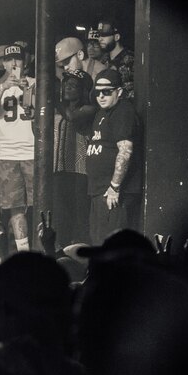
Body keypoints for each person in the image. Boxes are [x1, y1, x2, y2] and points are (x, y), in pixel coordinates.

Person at [0, 44, 37, 251]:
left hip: (31, 150)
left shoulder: (34, 83)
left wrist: (25, 89)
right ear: (3, 64)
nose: (14, 63)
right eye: (9, 59)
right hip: (7, 153)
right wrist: (4, 87)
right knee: (15, 206)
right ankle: (23, 249)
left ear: (25, 61)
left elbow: (37, 111)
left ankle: (40, 246)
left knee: (36, 203)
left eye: (18, 59)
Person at [85, 69, 142, 242]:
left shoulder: (123, 111)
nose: (101, 96)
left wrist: (114, 187)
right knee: (98, 241)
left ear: (119, 92)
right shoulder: (102, 112)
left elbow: (125, 151)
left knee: (110, 245)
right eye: (97, 92)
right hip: (100, 190)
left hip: (114, 193)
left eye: (107, 92)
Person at [53, 37, 96, 245]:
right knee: (62, 210)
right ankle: (63, 246)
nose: (68, 87)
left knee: (81, 211)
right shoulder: (61, 109)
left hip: (82, 168)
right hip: (61, 165)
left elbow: (73, 117)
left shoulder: (89, 107)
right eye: (66, 84)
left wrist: (56, 101)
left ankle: (80, 247)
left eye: (73, 85)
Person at [95, 18, 135, 96]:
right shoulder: (103, 59)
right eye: (99, 35)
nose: (100, 39)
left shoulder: (130, 59)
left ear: (116, 37)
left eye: (105, 35)